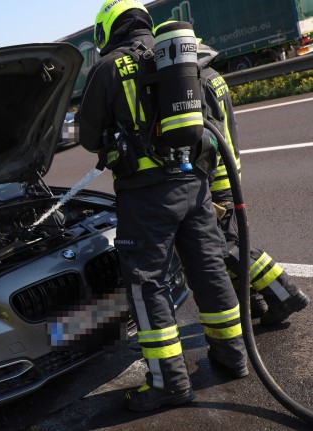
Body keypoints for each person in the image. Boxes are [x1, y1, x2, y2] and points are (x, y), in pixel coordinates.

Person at [78, 0, 248, 412]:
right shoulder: (176, 57)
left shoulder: (108, 68)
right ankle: (233, 355)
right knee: (208, 268)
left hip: (146, 194)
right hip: (195, 184)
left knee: (147, 282)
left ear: (107, 30)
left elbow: (86, 135)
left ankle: (168, 382)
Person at [191, 39, 311, 326]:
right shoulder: (213, 77)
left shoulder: (198, 84)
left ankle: (286, 293)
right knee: (226, 244)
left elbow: (207, 139)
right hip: (228, 173)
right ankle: (252, 304)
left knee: (227, 246)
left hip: (218, 179)